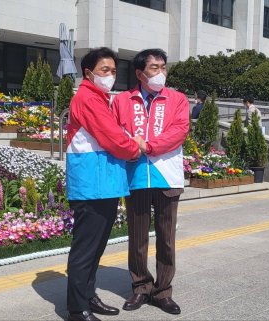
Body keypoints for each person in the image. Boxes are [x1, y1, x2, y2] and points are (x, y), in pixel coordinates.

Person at [65, 47, 143, 321]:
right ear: (89, 73)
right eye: (104, 70)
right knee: (86, 249)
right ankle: (77, 308)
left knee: (96, 247)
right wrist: (136, 149)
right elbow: (113, 138)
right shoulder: (88, 98)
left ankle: (88, 296)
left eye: (113, 70)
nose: (110, 75)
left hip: (103, 183)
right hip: (91, 184)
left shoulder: (100, 98)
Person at [112, 48, 190, 315]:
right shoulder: (122, 100)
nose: (160, 73)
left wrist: (147, 145)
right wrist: (131, 145)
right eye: (154, 68)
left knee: (166, 238)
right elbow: (116, 132)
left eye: (163, 67)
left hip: (166, 176)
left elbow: (179, 132)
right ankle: (141, 287)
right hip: (135, 177)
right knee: (137, 238)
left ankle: (163, 291)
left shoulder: (177, 99)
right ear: (139, 73)